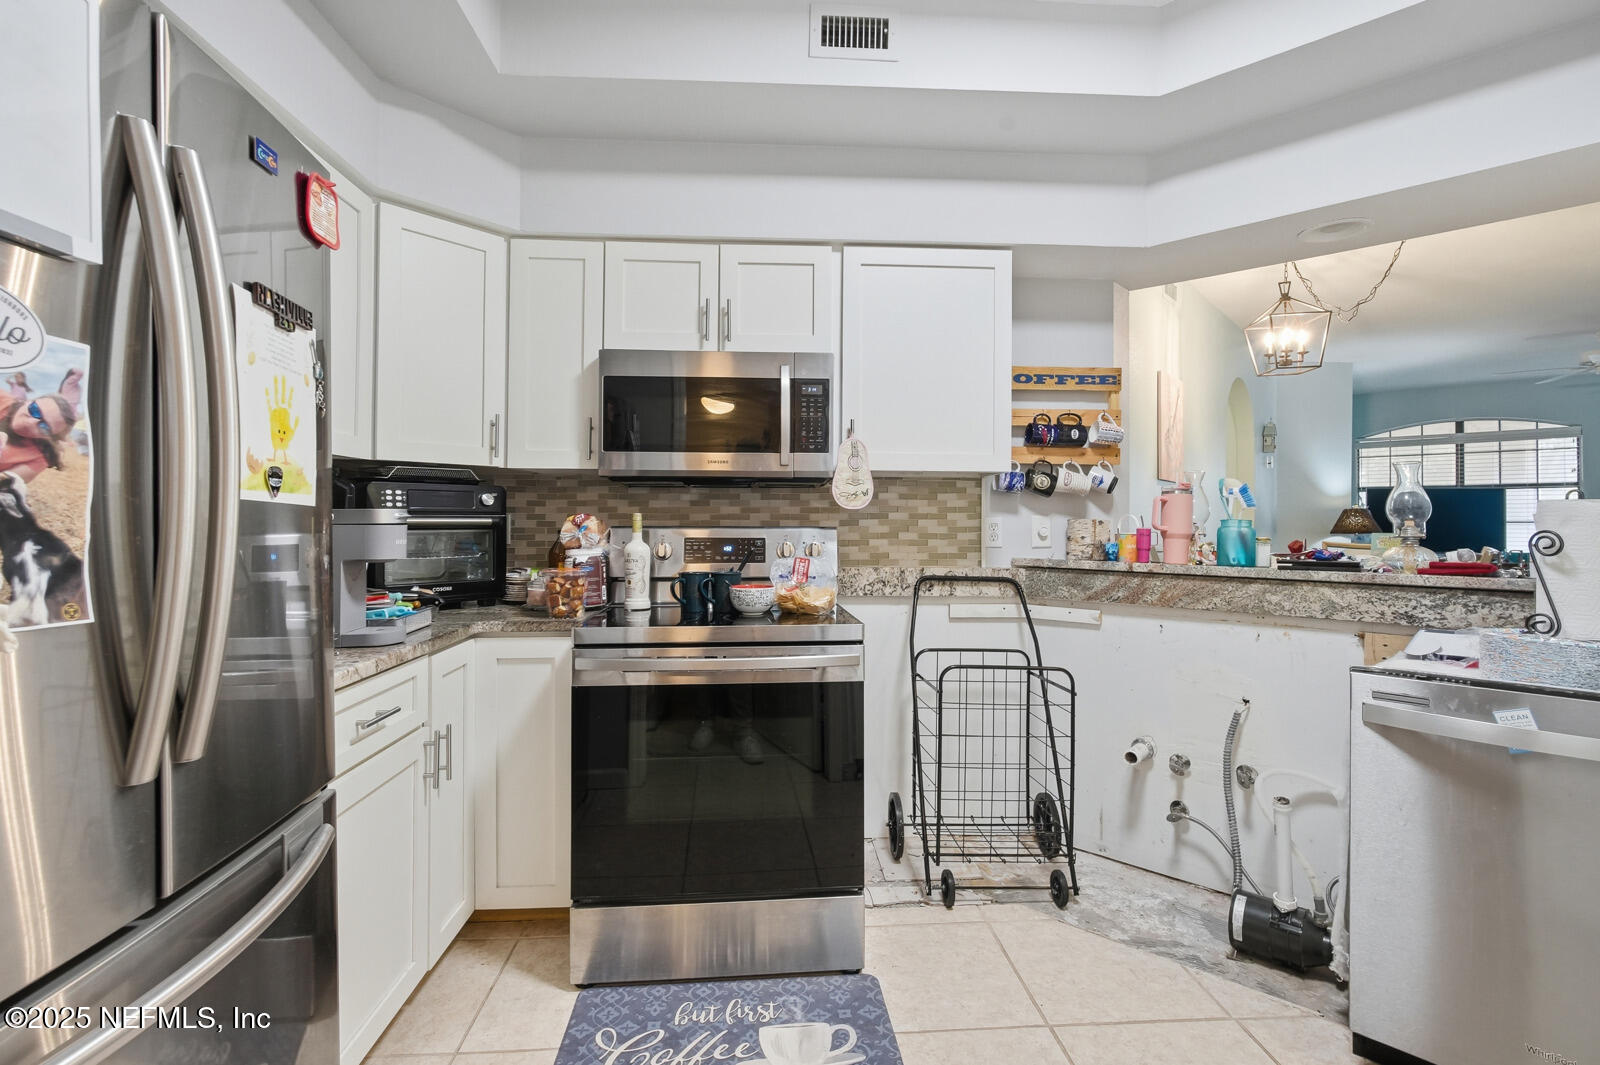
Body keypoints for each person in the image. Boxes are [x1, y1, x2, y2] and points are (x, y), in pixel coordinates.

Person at [0, 368, 84, 482]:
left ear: (48, 437)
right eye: (35, 410)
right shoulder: (2, 399)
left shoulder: (38, 458)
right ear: (28, 401)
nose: (31, 422)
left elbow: (4, 486)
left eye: (44, 427)